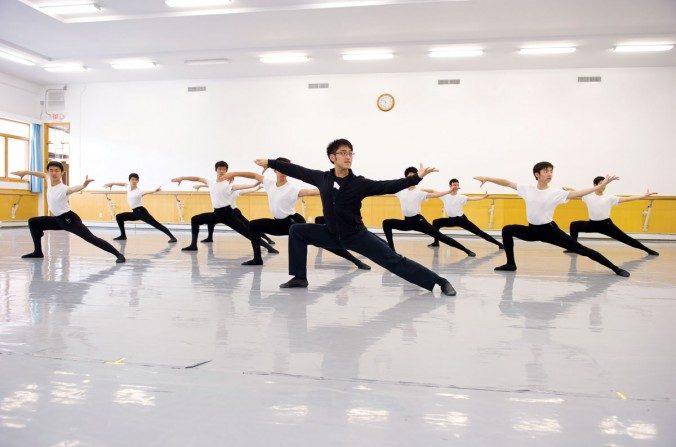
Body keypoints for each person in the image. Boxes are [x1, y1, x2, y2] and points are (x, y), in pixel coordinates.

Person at [254, 138, 457, 296]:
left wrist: (416, 178)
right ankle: (299, 278)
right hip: (331, 233)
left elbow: (388, 185)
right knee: (297, 230)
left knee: (393, 260)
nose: (348, 156)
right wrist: (270, 162)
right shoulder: (322, 178)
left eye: (350, 153)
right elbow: (296, 170)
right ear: (332, 157)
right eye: (343, 153)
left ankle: (440, 282)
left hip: (356, 235)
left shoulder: (359, 183)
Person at [474, 161, 630, 277]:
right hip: (532, 230)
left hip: (550, 231)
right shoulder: (526, 188)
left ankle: (615, 269)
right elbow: (506, 183)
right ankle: (511, 264)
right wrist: (487, 178)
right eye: (546, 171)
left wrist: (599, 186)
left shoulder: (555, 192)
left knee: (582, 250)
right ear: (537, 174)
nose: (549, 174)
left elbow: (578, 193)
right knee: (507, 230)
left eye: (551, 171)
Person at [238, 157, 370, 269]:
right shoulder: (269, 183)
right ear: (275, 170)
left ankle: (356, 261)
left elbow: (311, 191)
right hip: (279, 223)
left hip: (293, 221)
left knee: (322, 242)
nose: (283, 172)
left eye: (286, 169)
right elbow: (254, 175)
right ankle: (257, 259)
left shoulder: (292, 189)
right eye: (281, 169)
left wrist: (334, 190)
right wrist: (233, 175)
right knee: (254, 225)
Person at [12, 162, 125, 263]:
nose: (53, 173)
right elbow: (41, 174)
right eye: (51, 170)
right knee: (33, 222)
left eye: (57, 170)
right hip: (57, 219)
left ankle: (118, 254)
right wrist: (26, 172)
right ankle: (38, 252)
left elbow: (74, 189)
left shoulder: (64, 188)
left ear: (62, 173)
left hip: (69, 219)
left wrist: (83, 185)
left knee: (90, 238)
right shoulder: (48, 179)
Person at [171, 161, 277, 253]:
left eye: (224, 169)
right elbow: (197, 178)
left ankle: (268, 247)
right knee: (195, 219)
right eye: (220, 169)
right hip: (217, 214)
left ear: (226, 171)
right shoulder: (211, 182)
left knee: (247, 232)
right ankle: (193, 245)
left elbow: (241, 186)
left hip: (228, 214)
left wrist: (254, 185)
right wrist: (182, 178)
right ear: (216, 170)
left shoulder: (228, 185)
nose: (222, 171)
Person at [382, 167, 476, 256]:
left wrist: (448, 191)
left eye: (413, 176)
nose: (411, 179)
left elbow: (435, 195)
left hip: (419, 221)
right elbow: (386, 187)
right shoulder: (400, 191)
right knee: (386, 223)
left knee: (441, 237)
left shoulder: (419, 192)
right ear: (406, 178)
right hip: (407, 222)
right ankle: (392, 251)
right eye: (409, 177)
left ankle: (466, 250)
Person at [563, 177, 659, 255]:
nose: (604, 186)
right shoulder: (588, 196)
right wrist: (569, 190)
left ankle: (648, 250)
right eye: (601, 184)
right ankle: (573, 248)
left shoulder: (609, 198)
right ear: (595, 185)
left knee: (626, 239)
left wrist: (643, 196)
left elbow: (627, 199)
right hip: (592, 224)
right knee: (574, 225)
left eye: (605, 184)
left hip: (607, 225)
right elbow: (577, 192)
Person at [426, 178, 503, 249]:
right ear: (450, 186)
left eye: (457, 185)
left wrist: (483, 197)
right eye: (454, 185)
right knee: (436, 222)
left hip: (461, 219)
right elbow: (432, 190)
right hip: (451, 219)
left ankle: (499, 244)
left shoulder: (461, 197)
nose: (456, 186)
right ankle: (436, 243)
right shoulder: (444, 195)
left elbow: (472, 198)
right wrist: (418, 189)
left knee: (479, 232)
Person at [193, 182, 275, 247]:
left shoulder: (235, 191)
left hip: (234, 213)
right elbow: (210, 185)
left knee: (248, 226)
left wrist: (257, 188)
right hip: (221, 213)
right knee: (211, 222)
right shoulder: (220, 188)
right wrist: (200, 185)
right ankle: (209, 238)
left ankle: (267, 239)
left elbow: (247, 190)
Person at [103, 173, 177, 243]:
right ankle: (123, 236)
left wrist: (155, 190)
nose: (134, 181)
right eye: (132, 179)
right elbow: (121, 184)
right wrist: (111, 184)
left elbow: (147, 192)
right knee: (119, 217)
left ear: (138, 181)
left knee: (156, 224)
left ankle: (172, 237)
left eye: (136, 179)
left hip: (141, 212)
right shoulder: (128, 186)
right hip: (135, 212)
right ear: (130, 180)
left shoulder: (139, 191)